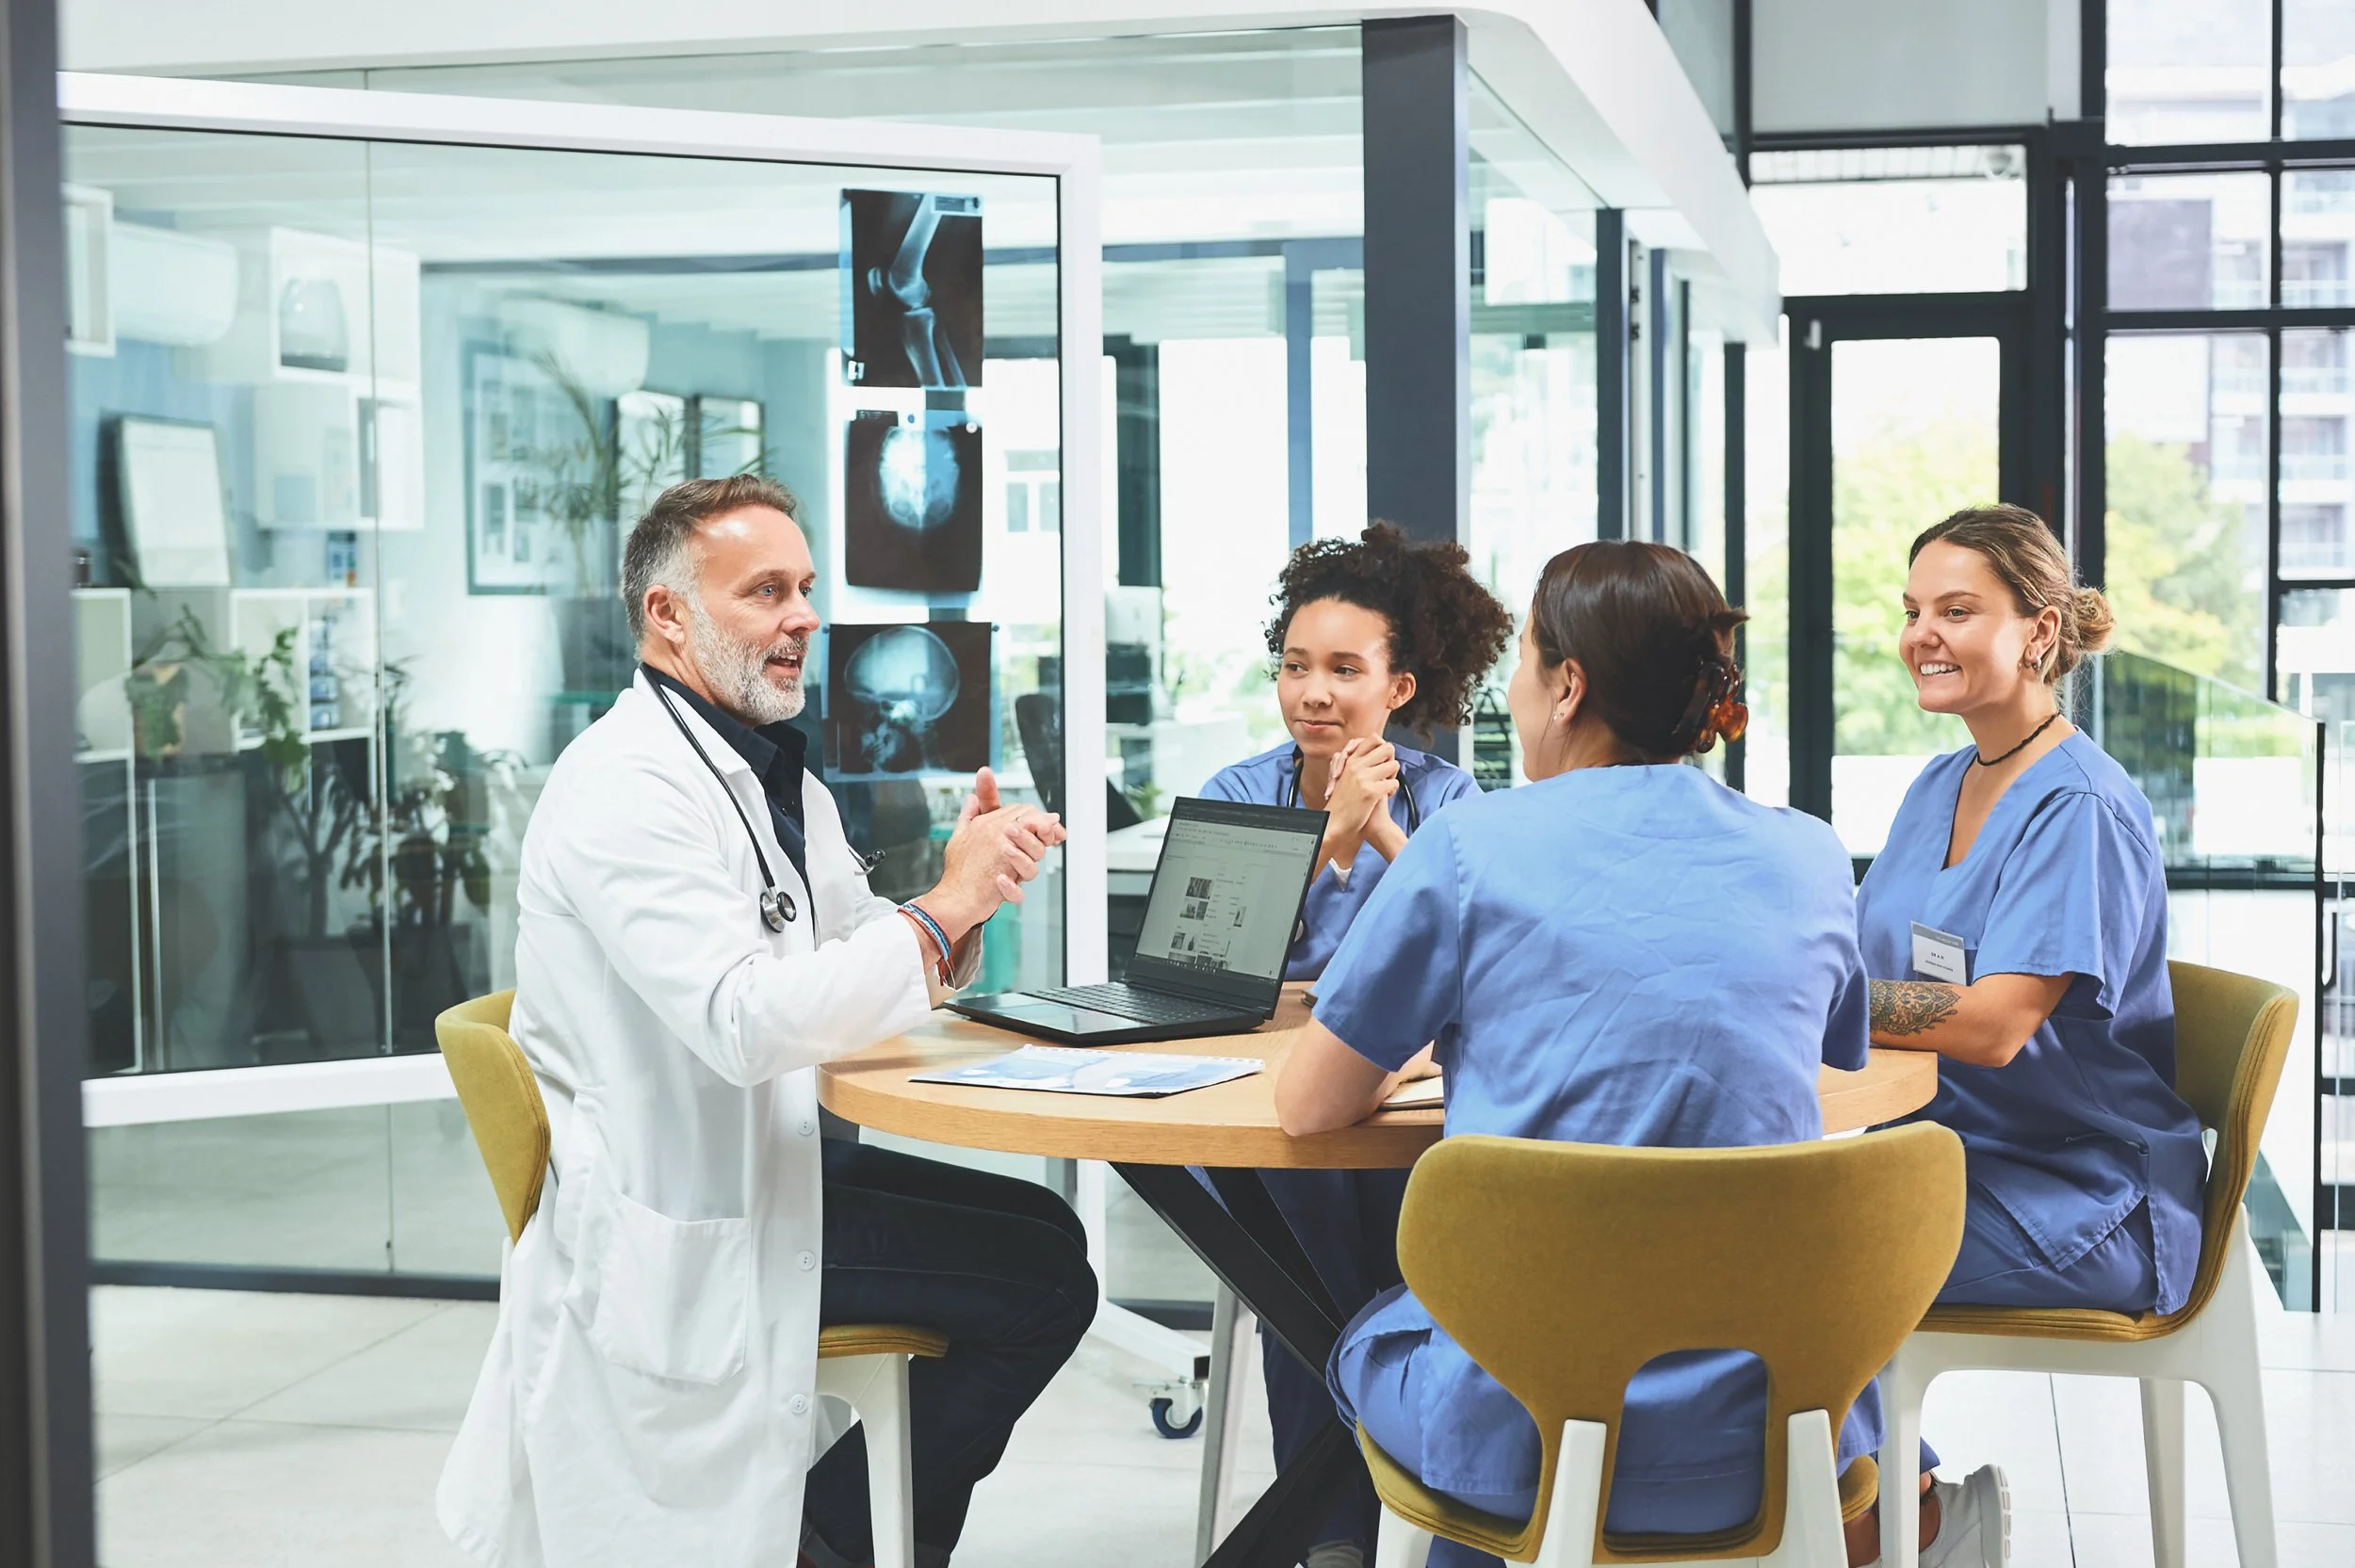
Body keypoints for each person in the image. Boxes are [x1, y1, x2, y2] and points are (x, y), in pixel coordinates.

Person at [438, 476, 1097, 1568]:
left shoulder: (762, 767)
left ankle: (831, 1530)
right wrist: (945, 912)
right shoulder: (624, 786)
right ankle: (835, 1539)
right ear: (668, 615)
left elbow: (854, 947)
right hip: (690, 1216)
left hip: (767, 1163)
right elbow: (743, 1019)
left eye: (805, 589)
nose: (803, 618)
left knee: (1049, 1237)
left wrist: (955, 899)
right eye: (765, 592)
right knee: (1045, 1286)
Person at [1274, 540, 1875, 1568]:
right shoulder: (1810, 851)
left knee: (1381, 1337)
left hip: (1526, 1435)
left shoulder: (1471, 849)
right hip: (1773, 1426)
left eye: (1523, 668)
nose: (1512, 692)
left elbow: (1309, 1107)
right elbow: (1822, 1046)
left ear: (1568, 686)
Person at [1854, 504, 2201, 1568]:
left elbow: (1999, 1023)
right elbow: (1867, 949)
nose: (1923, 635)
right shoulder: (1939, 781)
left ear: (2040, 633)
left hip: (2089, 1196)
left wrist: (1825, 999)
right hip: (1953, 1158)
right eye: (1914, 610)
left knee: (1792, 1253)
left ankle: (1896, 1530)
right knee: (1737, 1212)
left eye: (1957, 610)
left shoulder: (2078, 804)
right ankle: (1895, 1510)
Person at [1198, 522, 1511, 1568]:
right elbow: (1212, 965)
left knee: (1347, 1259)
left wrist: (1377, 828)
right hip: (1256, 1092)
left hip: (1398, 1102)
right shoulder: (1240, 793)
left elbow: (1473, 947)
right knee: (1305, 1228)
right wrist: (1326, 841)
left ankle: (1332, 1521)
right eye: (1294, 667)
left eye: (1343, 670)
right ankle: (1348, 1519)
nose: (1312, 694)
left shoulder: (1448, 799)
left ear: (1399, 687)